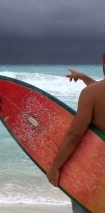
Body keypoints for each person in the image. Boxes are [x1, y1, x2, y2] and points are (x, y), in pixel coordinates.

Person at [46, 55, 105, 213]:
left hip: (93, 174)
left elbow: (74, 135)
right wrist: (85, 78)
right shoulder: (94, 91)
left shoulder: (91, 93)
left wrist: (55, 167)